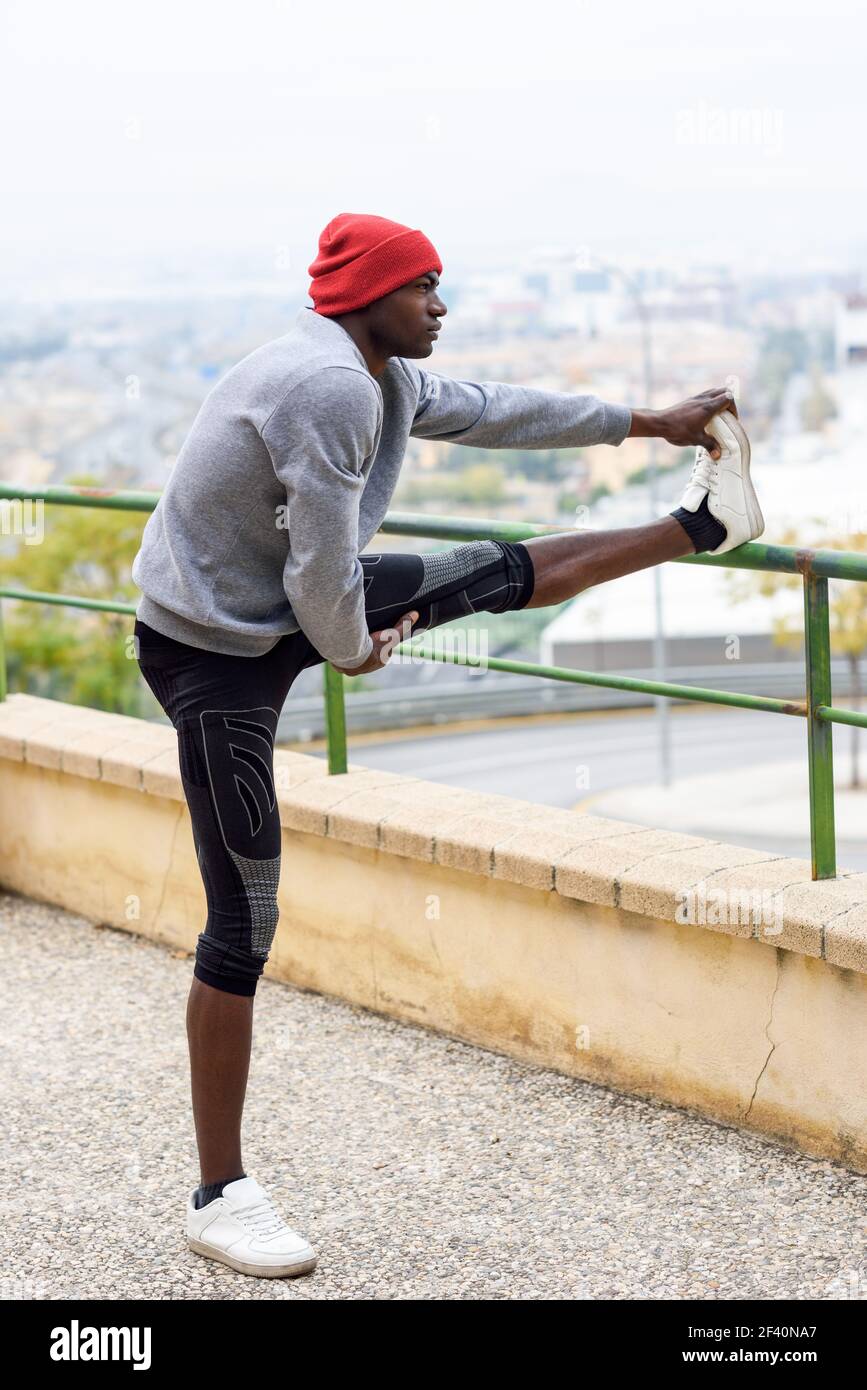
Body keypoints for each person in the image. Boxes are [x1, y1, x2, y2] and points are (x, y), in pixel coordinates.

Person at [130, 211, 764, 1279]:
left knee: (490, 567)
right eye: (424, 286)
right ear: (368, 298)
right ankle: (219, 1194)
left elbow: (496, 411)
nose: (441, 305)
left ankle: (705, 525)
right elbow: (320, 577)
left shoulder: (378, 370)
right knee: (246, 911)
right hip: (209, 650)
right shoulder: (325, 386)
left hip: (282, 606)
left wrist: (647, 420)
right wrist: (356, 652)